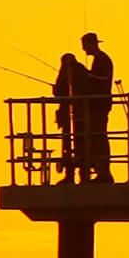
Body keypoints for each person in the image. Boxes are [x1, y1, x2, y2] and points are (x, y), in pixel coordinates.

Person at [78, 32, 115, 182]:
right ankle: (101, 170)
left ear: (91, 44)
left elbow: (101, 79)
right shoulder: (100, 59)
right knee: (96, 137)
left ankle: (104, 172)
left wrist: (85, 74)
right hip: (97, 104)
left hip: (100, 104)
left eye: (84, 46)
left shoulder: (103, 60)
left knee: (99, 137)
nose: (84, 49)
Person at [53, 53, 83, 184]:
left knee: (80, 142)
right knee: (68, 144)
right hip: (68, 114)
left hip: (79, 114)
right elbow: (58, 90)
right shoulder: (77, 70)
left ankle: (81, 173)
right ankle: (70, 174)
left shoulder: (78, 71)